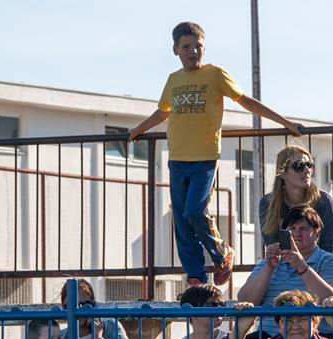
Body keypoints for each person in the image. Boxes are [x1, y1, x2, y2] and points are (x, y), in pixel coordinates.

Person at [127, 21, 302, 286]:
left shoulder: (215, 74)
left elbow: (245, 100)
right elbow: (163, 111)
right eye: (187, 47)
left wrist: (285, 122)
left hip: (204, 158)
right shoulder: (174, 80)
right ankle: (196, 276)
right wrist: (138, 129)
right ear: (176, 50)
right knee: (181, 220)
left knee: (194, 211)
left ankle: (221, 252)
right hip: (177, 159)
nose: (193, 51)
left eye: (198, 46)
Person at [238, 206, 333, 337]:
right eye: (292, 229)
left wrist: (302, 267)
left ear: (317, 235)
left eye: (303, 229)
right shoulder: (269, 262)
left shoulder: (330, 261)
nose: (296, 234)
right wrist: (268, 268)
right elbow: (245, 300)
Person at [259, 145, 333, 253]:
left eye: (309, 165)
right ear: (282, 173)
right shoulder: (267, 203)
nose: (307, 170)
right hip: (285, 261)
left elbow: (329, 248)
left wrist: (303, 263)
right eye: (299, 166)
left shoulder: (323, 201)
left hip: (320, 261)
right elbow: (273, 246)